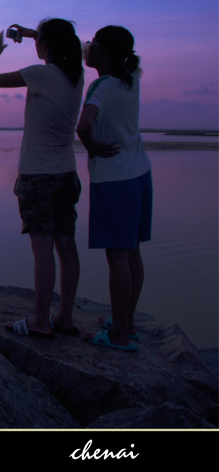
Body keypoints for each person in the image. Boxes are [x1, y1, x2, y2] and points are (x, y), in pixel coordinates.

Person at [0, 18, 84, 337]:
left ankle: (41, 321)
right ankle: (64, 316)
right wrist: (32, 34)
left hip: (37, 175)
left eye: (40, 41)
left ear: (45, 46)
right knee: (66, 245)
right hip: (66, 174)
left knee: (42, 248)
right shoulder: (76, 76)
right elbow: (72, 44)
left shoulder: (40, 74)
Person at [76, 25, 151, 352]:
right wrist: (36, 34)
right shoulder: (130, 76)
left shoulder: (102, 87)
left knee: (117, 258)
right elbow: (79, 45)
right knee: (132, 252)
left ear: (103, 52)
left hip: (114, 180)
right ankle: (128, 324)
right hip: (140, 174)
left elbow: (83, 125)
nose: (86, 48)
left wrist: (90, 145)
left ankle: (119, 336)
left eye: (92, 45)